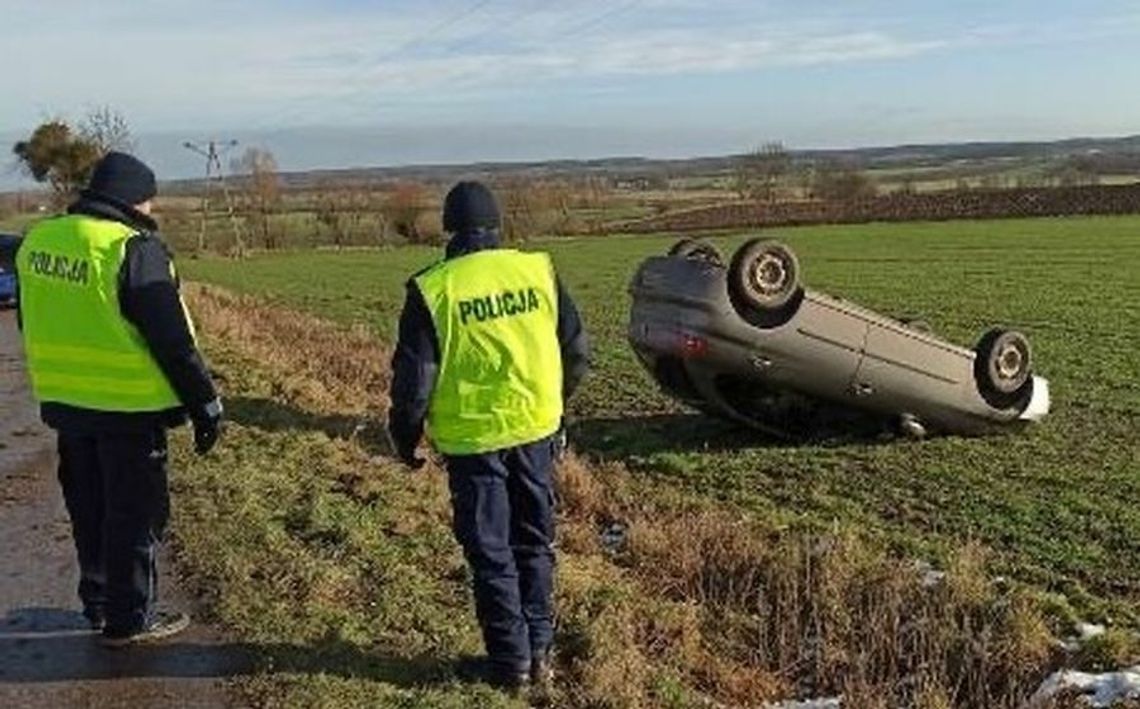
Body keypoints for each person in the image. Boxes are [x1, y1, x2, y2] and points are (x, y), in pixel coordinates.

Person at [16, 151, 223, 647]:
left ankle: (100, 603)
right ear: (134, 199)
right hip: (129, 409)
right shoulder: (130, 248)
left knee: (88, 508)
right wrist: (204, 403)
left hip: (68, 404)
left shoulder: (39, 241)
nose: (152, 210)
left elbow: (31, 317)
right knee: (135, 515)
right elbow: (173, 341)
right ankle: (130, 619)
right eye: (149, 201)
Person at [388, 181, 589, 690]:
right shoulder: (538, 271)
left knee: (491, 551)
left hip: (474, 444)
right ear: (498, 224)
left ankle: (511, 664)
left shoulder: (435, 288)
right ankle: (540, 651)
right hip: (537, 433)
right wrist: (556, 406)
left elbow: (414, 384)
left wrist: (404, 438)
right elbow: (577, 351)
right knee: (535, 542)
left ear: (449, 229)